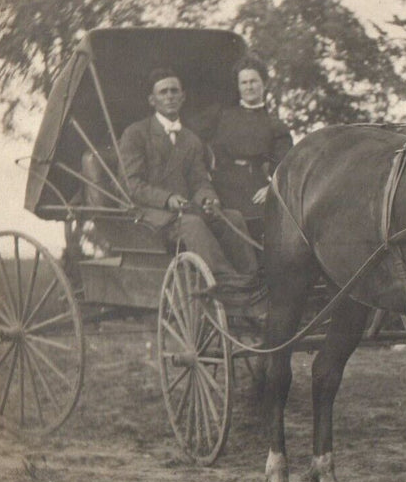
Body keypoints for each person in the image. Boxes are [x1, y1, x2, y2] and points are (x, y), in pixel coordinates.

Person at [119, 68, 263, 304]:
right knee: (193, 224)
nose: (169, 97)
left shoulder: (190, 139)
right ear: (152, 100)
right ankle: (225, 281)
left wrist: (207, 197)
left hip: (185, 210)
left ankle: (251, 279)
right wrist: (167, 199)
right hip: (151, 214)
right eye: (163, 92)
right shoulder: (136, 134)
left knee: (232, 217)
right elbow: (133, 185)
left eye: (174, 91)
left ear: (183, 97)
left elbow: (199, 180)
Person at [190, 56, 293, 240]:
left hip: (253, 189)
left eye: (253, 81)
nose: (249, 87)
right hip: (219, 185)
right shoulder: (220, 115)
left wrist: (273, 186)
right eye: (244, 82)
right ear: (238, 86)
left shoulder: (275, 125)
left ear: (264, 84)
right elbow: (191, 140)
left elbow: (284, 164)